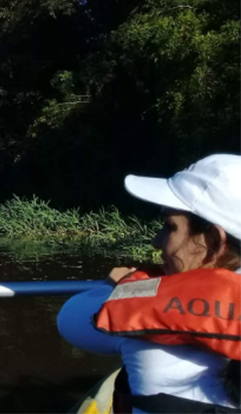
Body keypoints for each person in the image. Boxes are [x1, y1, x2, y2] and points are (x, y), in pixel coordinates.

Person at [57, 154, 241, 414]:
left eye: (169, 227)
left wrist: (119, 288)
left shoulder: (139, 328)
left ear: (213, 241)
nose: (156, 240)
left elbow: (68, 320)